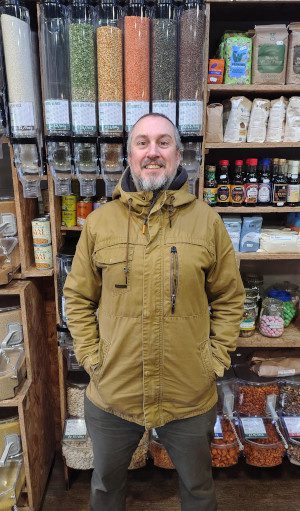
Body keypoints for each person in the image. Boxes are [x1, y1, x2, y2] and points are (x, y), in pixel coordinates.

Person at [64, 113, 245, 511]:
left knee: (198, 488)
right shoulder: (99, 224)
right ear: (128, 156)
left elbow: (230, 299)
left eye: (163, 143)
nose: (152, 152)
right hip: (114, 389)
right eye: (142, 143)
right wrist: (94, 359)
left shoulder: (207, 223)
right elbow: (77, 298)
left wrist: (213, 361)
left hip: (188, 391)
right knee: (105, 488)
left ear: (180, 155)